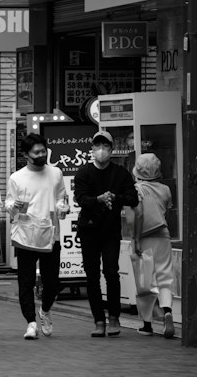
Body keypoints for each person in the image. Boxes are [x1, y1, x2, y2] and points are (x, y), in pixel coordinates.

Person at [73, 130, 138, 337]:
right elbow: (80, 199)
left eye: (106, 147)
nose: (101, 150)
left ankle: (114, 318)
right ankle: (98, 320)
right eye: (97, 146)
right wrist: (99, 199)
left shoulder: (121, 173)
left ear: (111, 150)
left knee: (111, 272)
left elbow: (132, 198)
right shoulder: (84, 173)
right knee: (92, 276)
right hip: (89, 230)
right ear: (91, 149)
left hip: (111, 231)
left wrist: (114, 197)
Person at [4, 134, 68, 341]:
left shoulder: (56, 173)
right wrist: (13, 207)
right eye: (36, 152)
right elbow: (9, 203)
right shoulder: (17, 178)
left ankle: (46, 311)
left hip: (51, 234)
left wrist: (62, 207)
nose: (41, 155)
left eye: (43, 151)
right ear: (26, 155)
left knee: (52, 282)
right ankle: (31, 322)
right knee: (26, 281)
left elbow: (61, 197)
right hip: (25, 234)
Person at [131, 151, 176, 339]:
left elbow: (138, 216)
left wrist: (135, 240)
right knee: (165, 277)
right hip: (163, 235)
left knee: (145, 281)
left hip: (144, 238)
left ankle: (147, 324)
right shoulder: (165, 189)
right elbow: (168, 212)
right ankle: (167, 311)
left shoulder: (136, 189)